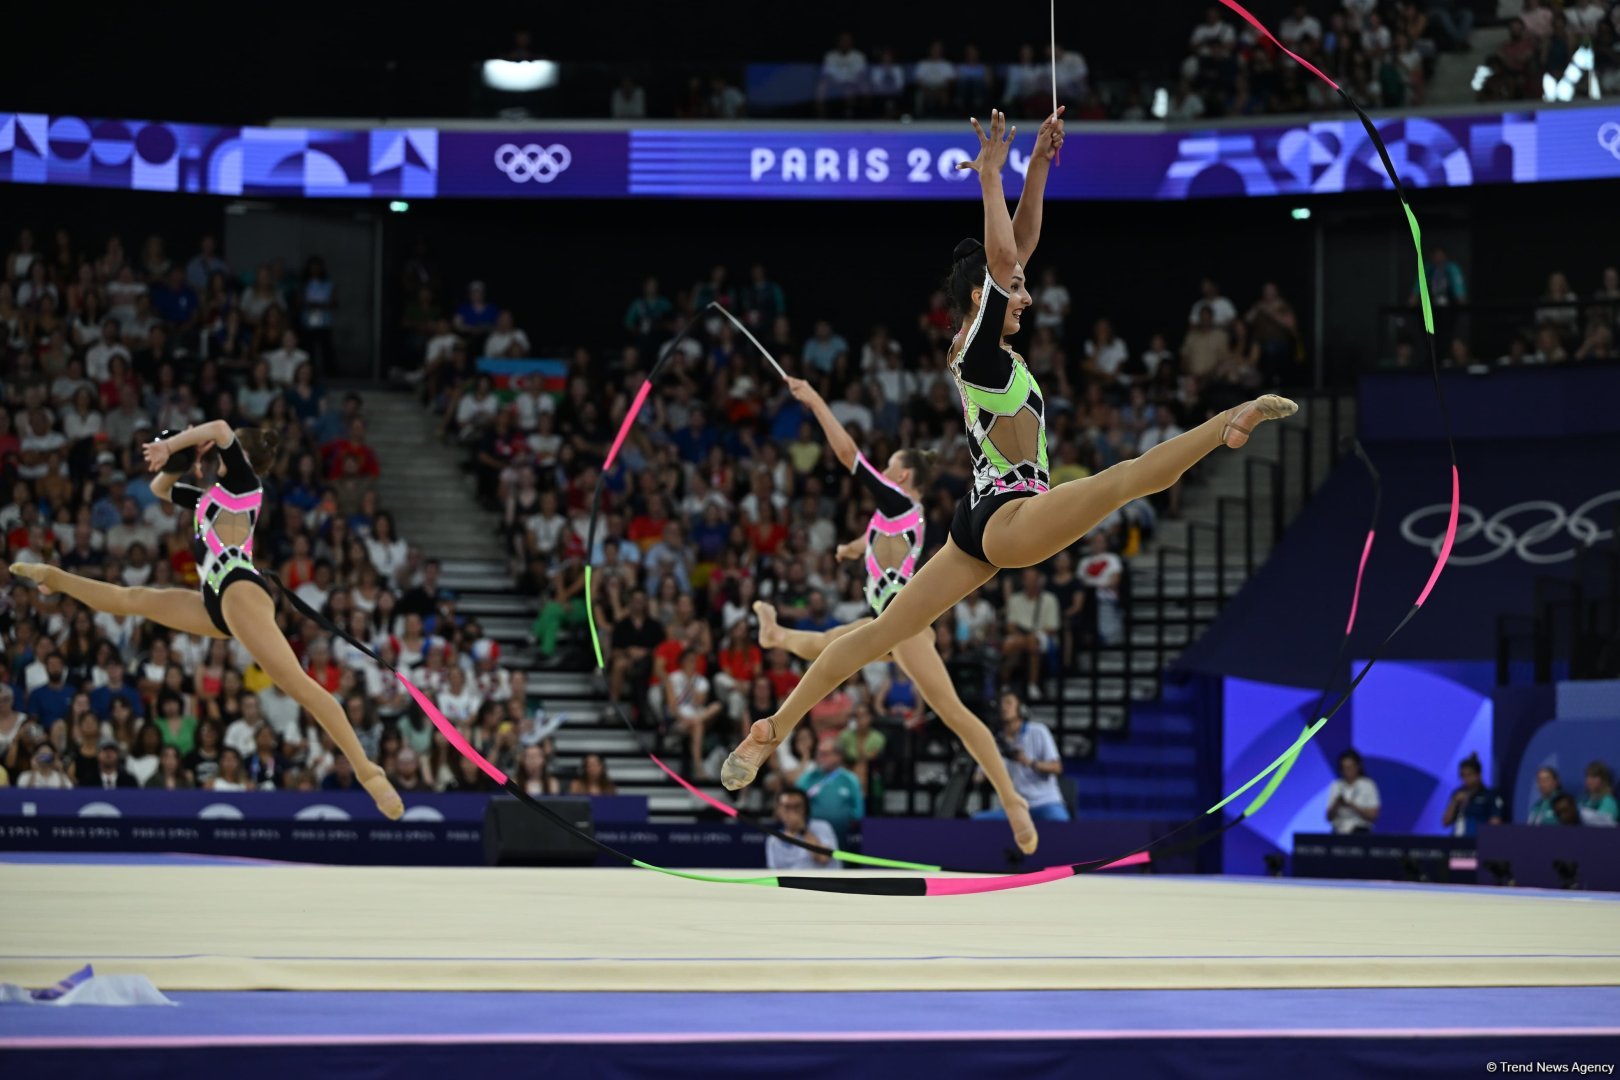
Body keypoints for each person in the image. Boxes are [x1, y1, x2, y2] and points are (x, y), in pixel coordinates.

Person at [725, 111, 1297, 801]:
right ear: (982, 296)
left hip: (979, 518)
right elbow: (1006, 261)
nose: (1027, 294)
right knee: (1119, 482)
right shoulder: (980, 352)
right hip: (1007, 516)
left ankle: (772, 727)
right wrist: (994, 176)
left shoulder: (985, 345)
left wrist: (1039, 169)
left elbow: (1015, 249)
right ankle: (1224, 425)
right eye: (1016, 291)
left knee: (882, 633)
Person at [11, 420, 402, 819]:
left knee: (297, 684)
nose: (214, 452)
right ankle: (56, 579)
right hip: (213, 599)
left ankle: (368, 771)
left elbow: (218, 427)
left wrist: (174, 446)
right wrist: (179, 462)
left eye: (221, 451)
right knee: (135, 598)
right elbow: (158, 490)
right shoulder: (205, 498)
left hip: (239, 588)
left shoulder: (245, 485)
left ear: (242, 457)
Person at [747, 375, 1041, 853]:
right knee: (829, 645)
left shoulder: (903, 502)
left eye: (888, 467)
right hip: (886, 623)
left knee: (953, 713)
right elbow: (878, 539)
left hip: (906, 625)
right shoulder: (896, 515)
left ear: (902, 477)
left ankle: (1013, 801)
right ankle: (775, 636)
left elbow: (847, 456)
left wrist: (816, 399)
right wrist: (851, 547)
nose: (882, 471)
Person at [973, 689, 1070, 823]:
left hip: (1045, 802)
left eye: (1009, 703)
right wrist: (990, 768)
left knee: (1061, 824)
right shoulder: (995, 740)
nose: (1004, 707)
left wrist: (1029, 762)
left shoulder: (1038, 731)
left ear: (1020, 708)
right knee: (978, 821)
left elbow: (1057, 767)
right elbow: (977, 778)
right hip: (1015, 807)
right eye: (1001, 704)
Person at [796, 739, 865, 845]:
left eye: (825, 754)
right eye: (818, 753)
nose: (820, 757)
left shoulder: (850, 779)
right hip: (812, 839)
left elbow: (859, 811)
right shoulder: (807, 779)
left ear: (838, 756)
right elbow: (796, 805)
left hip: (844, 838)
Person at [764, 788, 841, 871]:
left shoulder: (822, 827)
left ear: (805, 809)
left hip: (820, 882)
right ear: (778, 810)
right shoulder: (773, 840)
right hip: (790, 883)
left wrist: (802, 830)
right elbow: (773, 873)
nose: (792, 812)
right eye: (787, 807)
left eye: (797, 807)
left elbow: (823, 858)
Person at [1441, 753, 1503, 837]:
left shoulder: (1490, 795)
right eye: (1463, 775)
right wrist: (1454, 802)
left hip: (1478, 843)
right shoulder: (1457, 794)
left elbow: (1495, 823)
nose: (1466, 779)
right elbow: (1445, 822)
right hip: (1455, 844)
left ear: (1478, 775)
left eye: (1469, 775)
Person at [1325, 748, 1380, 834]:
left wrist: (1351, 805)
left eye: (1350, 767)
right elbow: (1328, 817)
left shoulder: (1368, 785)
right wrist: (1337, 804)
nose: (1348, 771)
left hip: (1360, 833)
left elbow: (1373, 815)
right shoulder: (1336, 785)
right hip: (1338, 831)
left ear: (1358, 767)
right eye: (1345, 768)